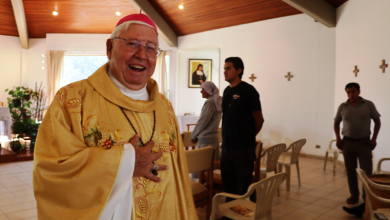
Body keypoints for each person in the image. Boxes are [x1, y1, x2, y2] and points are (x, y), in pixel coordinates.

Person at [33, 13, 198, 220]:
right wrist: (126, 162)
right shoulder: (72, 100)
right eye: (133, 43)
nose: (141, 54)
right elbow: (51, 171)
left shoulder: (164, 106)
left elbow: (178, 177)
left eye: (150, 48)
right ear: (109, 48)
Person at [220, 57, 264, 203]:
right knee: (228, 184)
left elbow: (259, 119)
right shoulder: (226, 91)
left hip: (243, 148)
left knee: (245, 185)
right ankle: (229, 215)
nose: (224, 71)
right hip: (227, 147)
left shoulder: (248, 91)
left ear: (238, 71)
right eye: (224, 68)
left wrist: (248, 137)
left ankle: (249, 215)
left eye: (228, 68)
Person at [334, 83, 381, 218]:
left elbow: (377, 121)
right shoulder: (343, 106)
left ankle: (367, 197)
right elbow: (336, 122)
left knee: (367, 172)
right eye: (348, 92)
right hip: (347, 143)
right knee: (350, 171)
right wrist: (338, 138)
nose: (350, 95)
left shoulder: (368, 105)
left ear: (359, 91)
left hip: (364, 143)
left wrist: (374, 139)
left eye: (353, 92)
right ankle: (354, 195)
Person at [191, 81, 222, 174]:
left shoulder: (209, 103)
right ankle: (212, 184)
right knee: (213, 169)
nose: (201, 91)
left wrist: (193, 135)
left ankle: (204, 184)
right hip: (214, 137)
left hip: (206, 138)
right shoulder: (218, 101)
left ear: (208, 90)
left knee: (203, 167)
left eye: (203, 89)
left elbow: (202, 122)